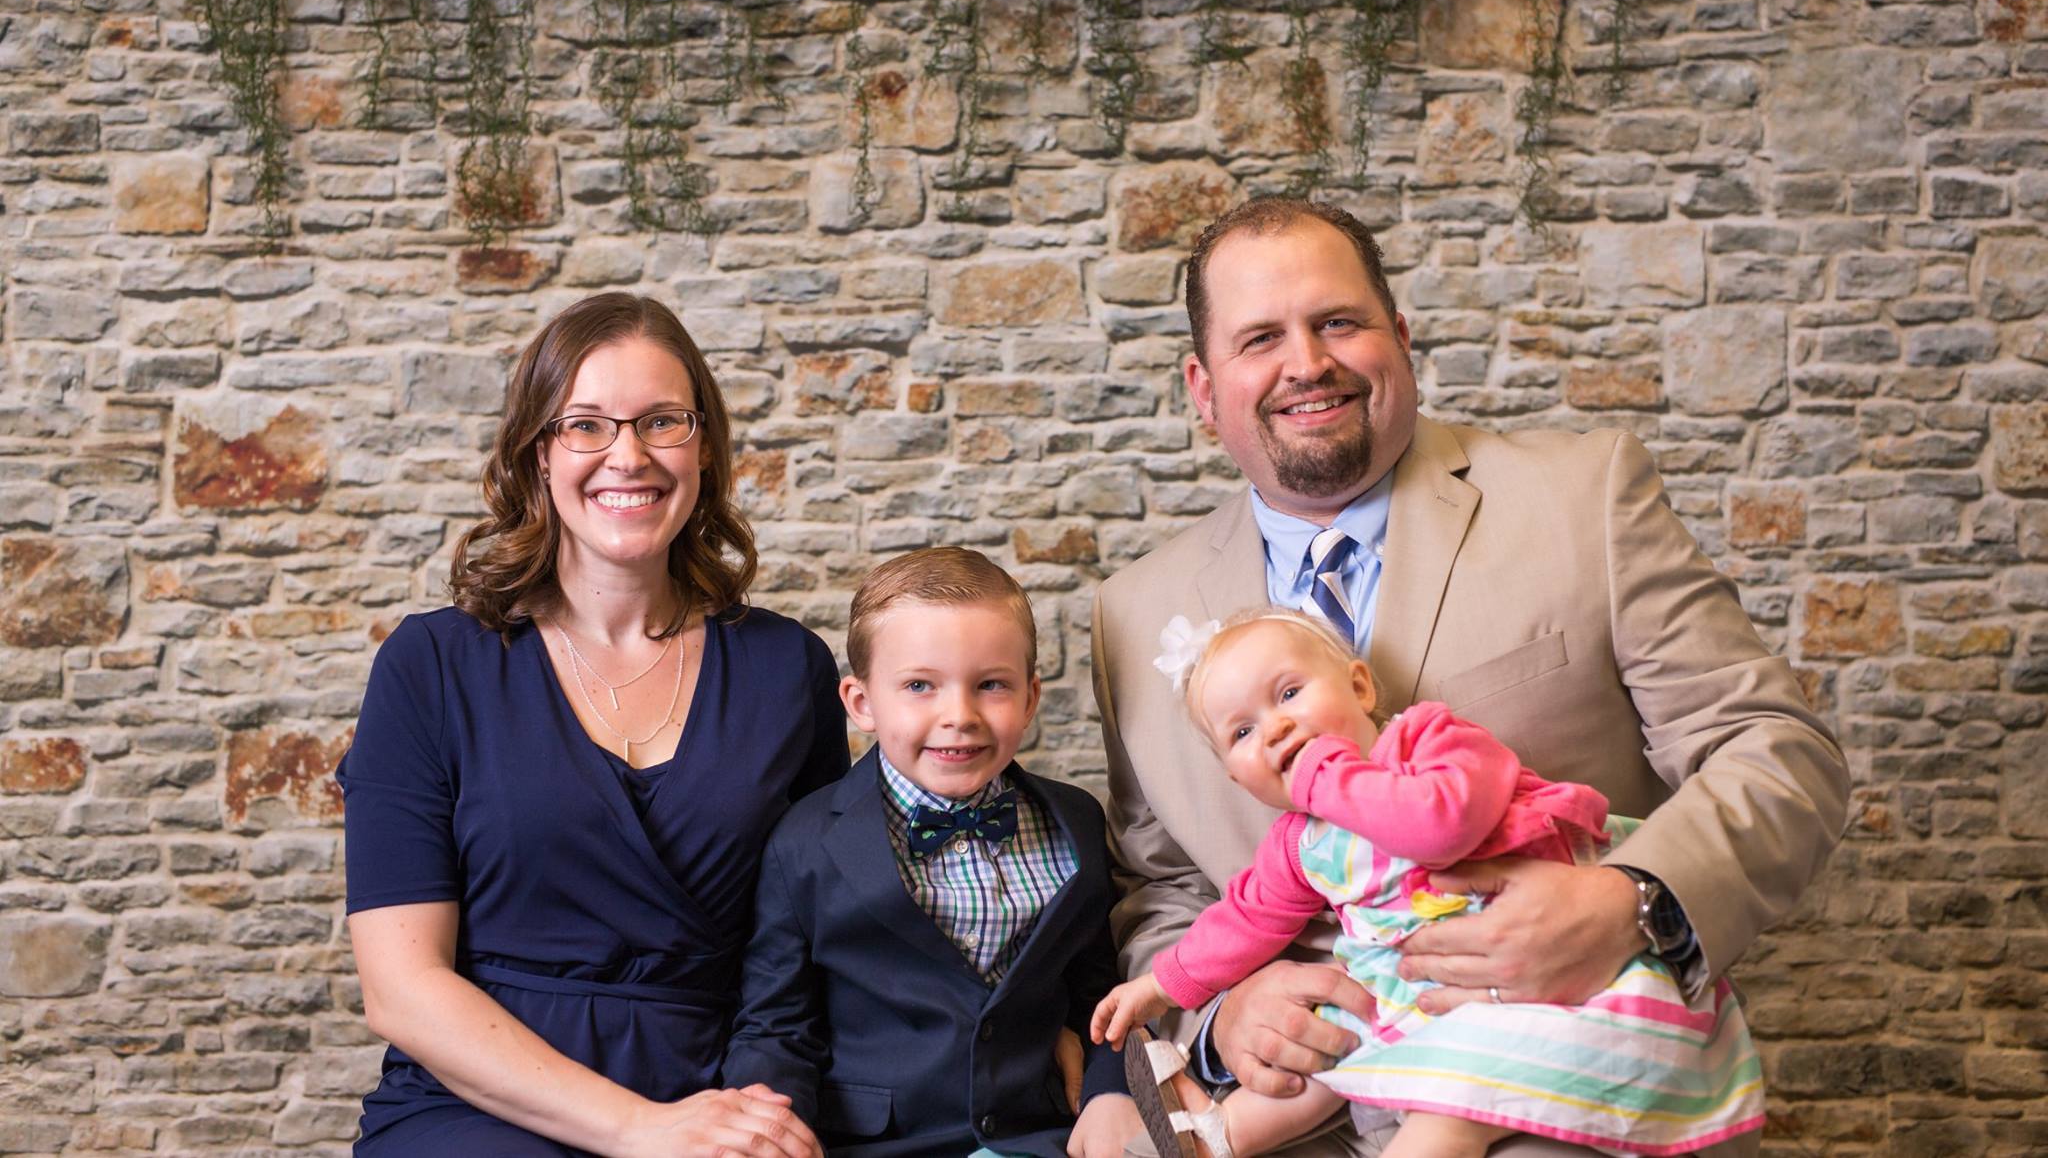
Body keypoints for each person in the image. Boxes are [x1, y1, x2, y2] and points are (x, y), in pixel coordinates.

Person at [1091, 198, 1851, 1157]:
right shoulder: (1132, 611)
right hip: (1293, 1113)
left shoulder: (1586, 494)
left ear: (1399, 337)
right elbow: (1159, 885)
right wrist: (1222, 1010)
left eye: (1338, 321)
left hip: (1549, 1090)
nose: (1307, 362)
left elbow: (1779, 754)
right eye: (1260, 338)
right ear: (1205, 389)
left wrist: (1630, 898)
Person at [337, 293, 847, 1156]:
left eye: (663, 421)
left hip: (720, 1091)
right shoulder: (430, 666)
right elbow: (401, 987)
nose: (629, 454)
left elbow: (825, 941)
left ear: (706, 445)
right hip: (477, 1106)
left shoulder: (787, 668)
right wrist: (640, 1129)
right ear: (538, 451)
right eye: (586, 425)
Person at [1093, 609, 1764, 1158]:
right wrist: (1160, 985)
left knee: (1445, 1123)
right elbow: (1244, 920)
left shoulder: (1428, 740)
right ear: (1237, 778)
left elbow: (1443, 823)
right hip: (1403, 992)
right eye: (1243, 731)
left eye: (1290, 693)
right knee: (1329, 1041)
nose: (1276, 728)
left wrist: (1327, 775)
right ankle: (1219, 1133)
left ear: (1359, 686)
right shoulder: (1302, 841)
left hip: (1522, 979)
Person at [723, 547, 1145, 1157]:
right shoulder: (804, 840)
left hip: (1045, 1134)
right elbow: (777, 1025)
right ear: (861, 703)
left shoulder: (1077, 820)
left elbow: (1100, 992)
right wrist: (766, 1128)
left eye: (991, 685)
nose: (960, 716)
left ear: (1030, 697)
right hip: (879, 1143)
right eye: (920, 685)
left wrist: (1111, 1091)